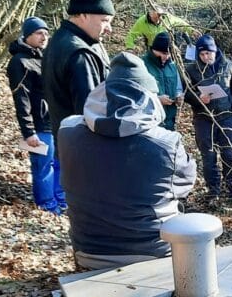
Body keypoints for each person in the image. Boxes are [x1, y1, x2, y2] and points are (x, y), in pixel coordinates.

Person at [58, 52, 196, 270]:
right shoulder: (166, 143)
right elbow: (185, 184)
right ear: (149, 96)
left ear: (103, 91)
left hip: (88, 251)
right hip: (153, 251)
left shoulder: (67, 131)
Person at [6, 16, 66, 214]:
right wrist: (28, 130)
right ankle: (47, 204)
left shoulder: (46, 57)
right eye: (39, 33)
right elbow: (21, 99)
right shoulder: (19, 62)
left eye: (46, 33)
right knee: (43, 166)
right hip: (39, 125)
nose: (44, 37)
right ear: (27, 35)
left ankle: (61, 201)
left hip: (55, 121)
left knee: (59, 163)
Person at [43, 0, 115, 147]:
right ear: (83, 15)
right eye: (104, 21)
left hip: (65, 144)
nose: (109, 29)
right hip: (85, 152)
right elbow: (91, 113)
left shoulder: (58, 40)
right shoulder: (80, 54)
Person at [183, 34, 232, 201]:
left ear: (215, 51)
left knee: (230, 154)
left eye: (209, 54)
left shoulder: (228, 65)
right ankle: (213, 191)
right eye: (202, 54)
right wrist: (198, 98)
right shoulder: (191, 69)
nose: (206, 57)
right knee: (209, 156)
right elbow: (186, 93)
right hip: (203, 117)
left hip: (226, 116)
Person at [142, 31, 183, 131]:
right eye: (163, 53)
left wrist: (179, 97)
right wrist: (157, 100)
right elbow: (136, 94)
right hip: (149, 121)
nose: (166, 57)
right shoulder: (141, 64)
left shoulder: (173, 66)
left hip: (169, 120)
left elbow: (178, 88)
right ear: (154, 50)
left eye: (169, 54)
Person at [124, 5, 198, 51]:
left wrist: (191, 30)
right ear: (150, 15)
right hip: (152, 48)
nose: (158, 19)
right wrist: (129, 47)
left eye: (159, 16)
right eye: (155, 17)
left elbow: (180, 23)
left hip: (168, 47)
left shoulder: (166, 17)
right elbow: (132, 35)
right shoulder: (142, 21)